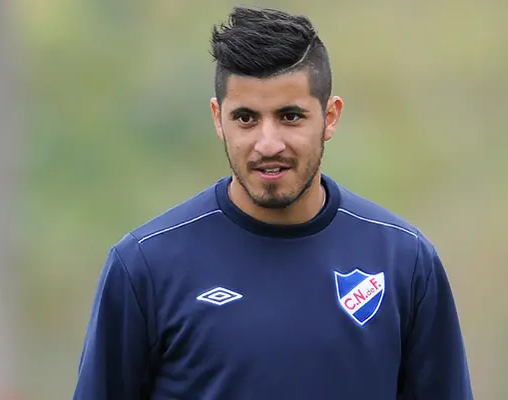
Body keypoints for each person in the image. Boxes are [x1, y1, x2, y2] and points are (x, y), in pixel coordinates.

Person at [72, 6, 473, 400]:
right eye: (246, 118)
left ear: (330, 117)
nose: (268, 144)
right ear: (218, 119)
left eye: (290, 117)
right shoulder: (145, 266)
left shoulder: (404, 261)